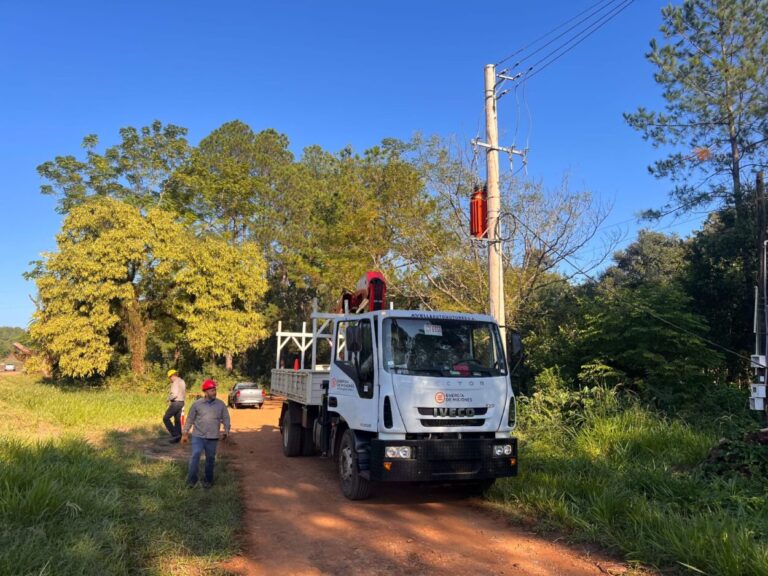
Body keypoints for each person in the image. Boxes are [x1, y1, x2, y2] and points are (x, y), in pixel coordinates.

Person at [182, 379, 231, 488]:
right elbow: (190, 419)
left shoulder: (220, 404)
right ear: (206, 392)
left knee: (210, 459)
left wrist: (227, 431)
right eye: (212, 390)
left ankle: (208, 481)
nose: (214, 392)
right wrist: (185, 433)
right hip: (198, 436)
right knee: (195, 456)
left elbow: (226, 418)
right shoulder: (197, 404)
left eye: (215, 390)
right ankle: (191, 482)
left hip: (213, 438)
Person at [163, 369, 186, 444]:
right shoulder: (182, 381)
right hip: (182, 402)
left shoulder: (175, 383)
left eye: (170, 378)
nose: (170, 379)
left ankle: (175, 435)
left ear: (172, 376)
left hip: (176, 403)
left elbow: (174, 394)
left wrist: (168, 399)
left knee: (166, 418)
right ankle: (178, 437)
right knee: (177, 420)